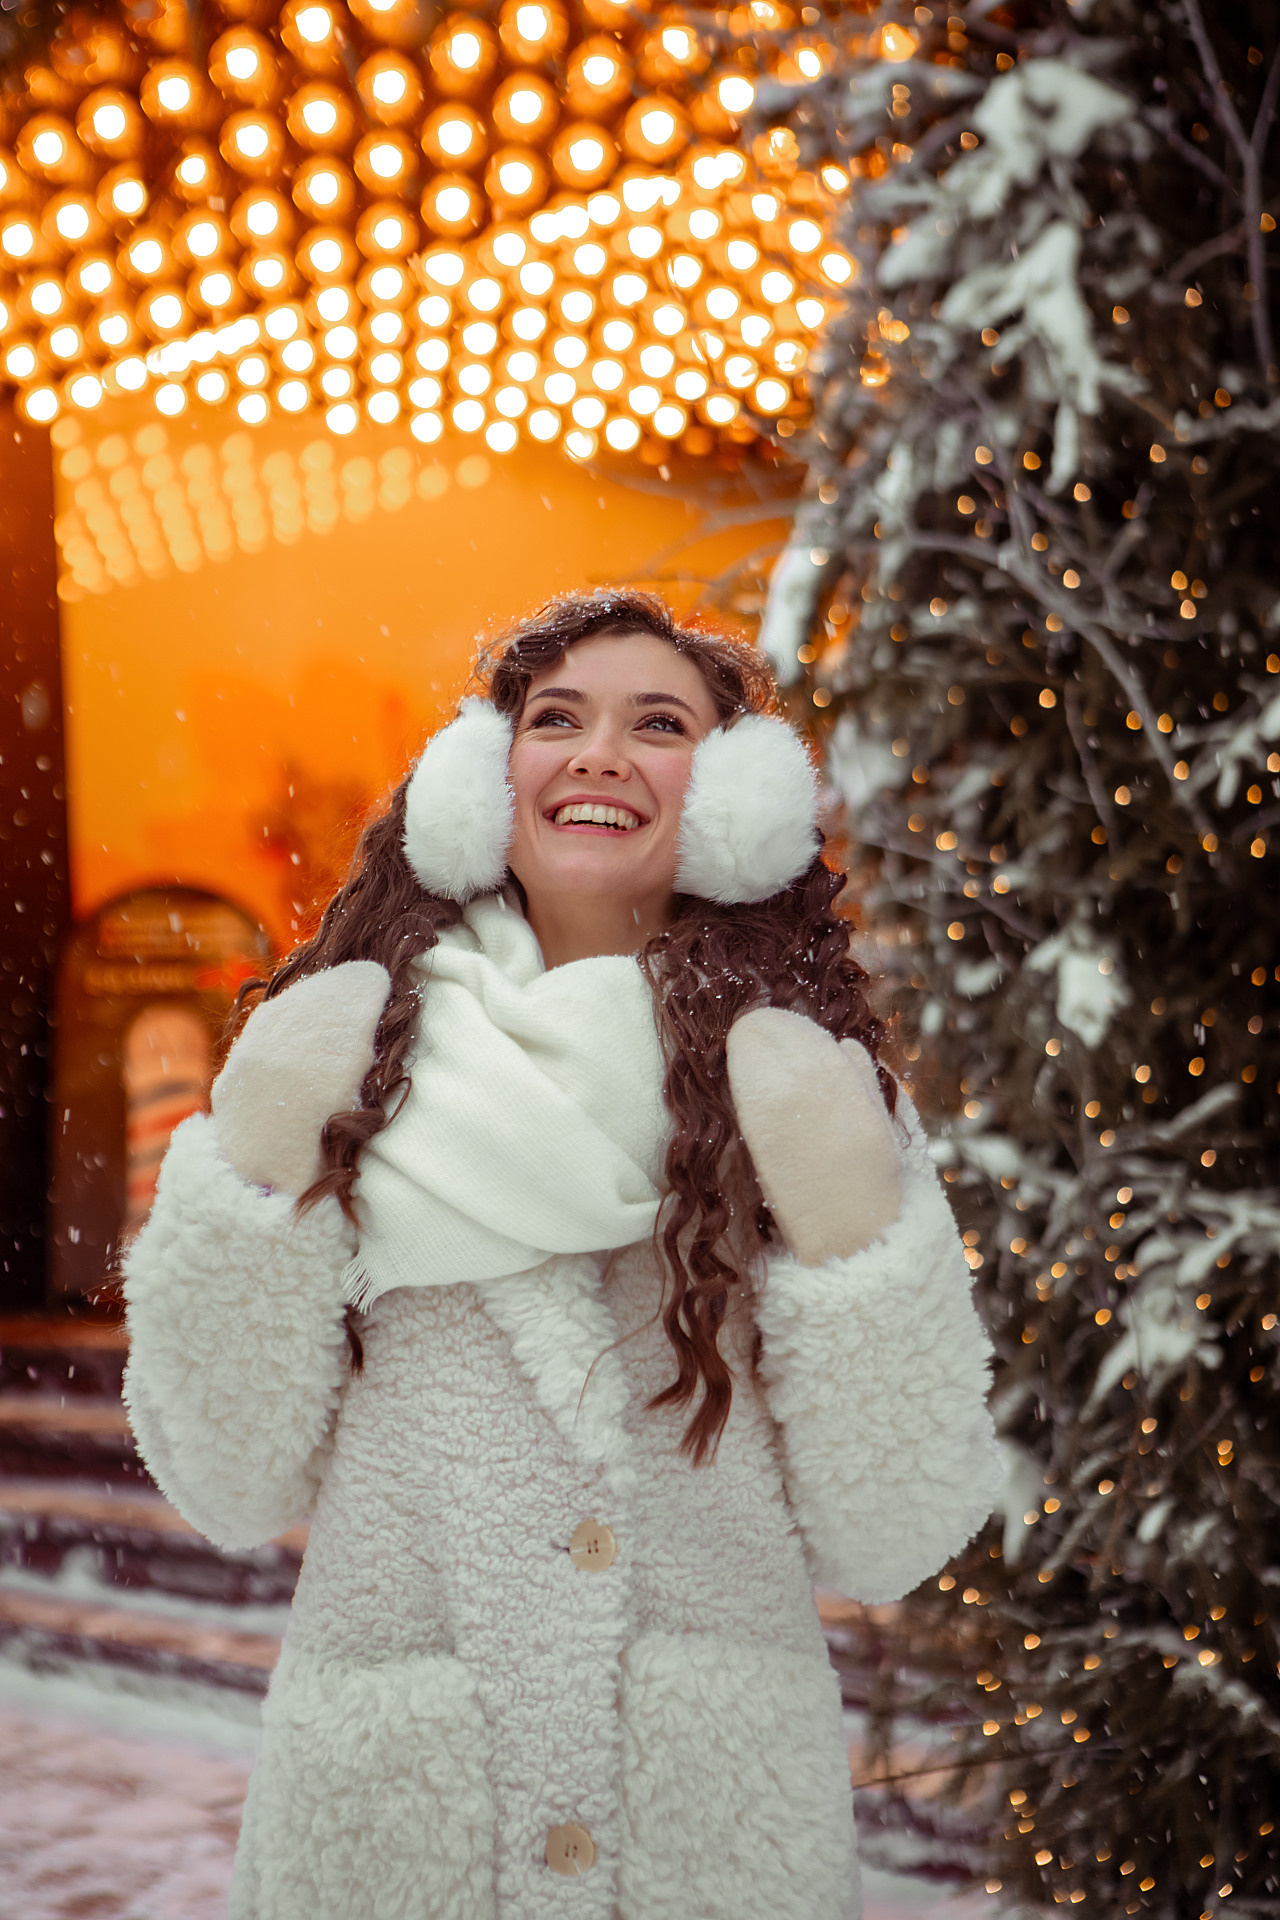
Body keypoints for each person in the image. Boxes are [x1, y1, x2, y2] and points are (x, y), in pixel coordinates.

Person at [122, 588, 1000, 1920]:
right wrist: (248, 1178)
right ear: (485, 779)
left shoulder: (807, 1089)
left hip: (704, 1837)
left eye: (660, 725)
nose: (600, 754)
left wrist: (851, 1236)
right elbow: (226, 1481)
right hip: (400, 1837)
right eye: (556, 719)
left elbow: (897, 1533)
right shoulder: (355, 1065)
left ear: (736, 797)